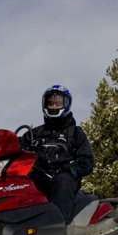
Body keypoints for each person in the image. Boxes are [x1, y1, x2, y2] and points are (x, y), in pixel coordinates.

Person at [19, 85, 94, 223]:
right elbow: (14, 147)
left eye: (58, 103)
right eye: (50, 103)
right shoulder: (34, 134)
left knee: (63, 181)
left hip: (63, 179)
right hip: (39, 176)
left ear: (66, 104)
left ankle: (58, 230)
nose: (53, 106)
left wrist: (70, 169)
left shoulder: (75, 133)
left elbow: (87, 161)